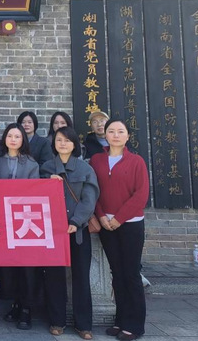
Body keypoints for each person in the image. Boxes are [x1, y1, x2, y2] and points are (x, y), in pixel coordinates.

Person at [90, 120, 149, 341]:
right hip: (105, 223)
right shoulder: (96, 160)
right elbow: (93, 190)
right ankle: (121, 319)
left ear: (127, 136)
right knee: (116, 272)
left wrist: (119, 218)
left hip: (130, 224)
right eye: (111, 131)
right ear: (105, 135)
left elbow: (141, 195)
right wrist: (101, 215)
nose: (115, 135)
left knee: (131, 273)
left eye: (120, 131)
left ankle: (135, 325)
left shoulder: (136, 161)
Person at [40, 126, 99, 340]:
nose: (63, 144)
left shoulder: (85, 169)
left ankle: (84, 324)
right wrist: (47, 183)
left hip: (78, 231)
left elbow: (89, 199)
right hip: (53, 231)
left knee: (81, 277)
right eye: (59, 140)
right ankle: (57, 320)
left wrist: (76, 221)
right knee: (54, 277)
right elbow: (35, 195)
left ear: (75, 144)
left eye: (67, 140)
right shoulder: (46, 168)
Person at [0, 123, 40, 330]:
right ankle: (14, 303)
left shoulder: (31, 163)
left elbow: (34, 191)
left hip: (24, 219)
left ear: (23, 140)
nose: (13, 140)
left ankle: (26, 307)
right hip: (2, 220)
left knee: (27, 266)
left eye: (17, 136)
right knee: (9, 266)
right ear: (4, 138)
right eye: (10, 136)